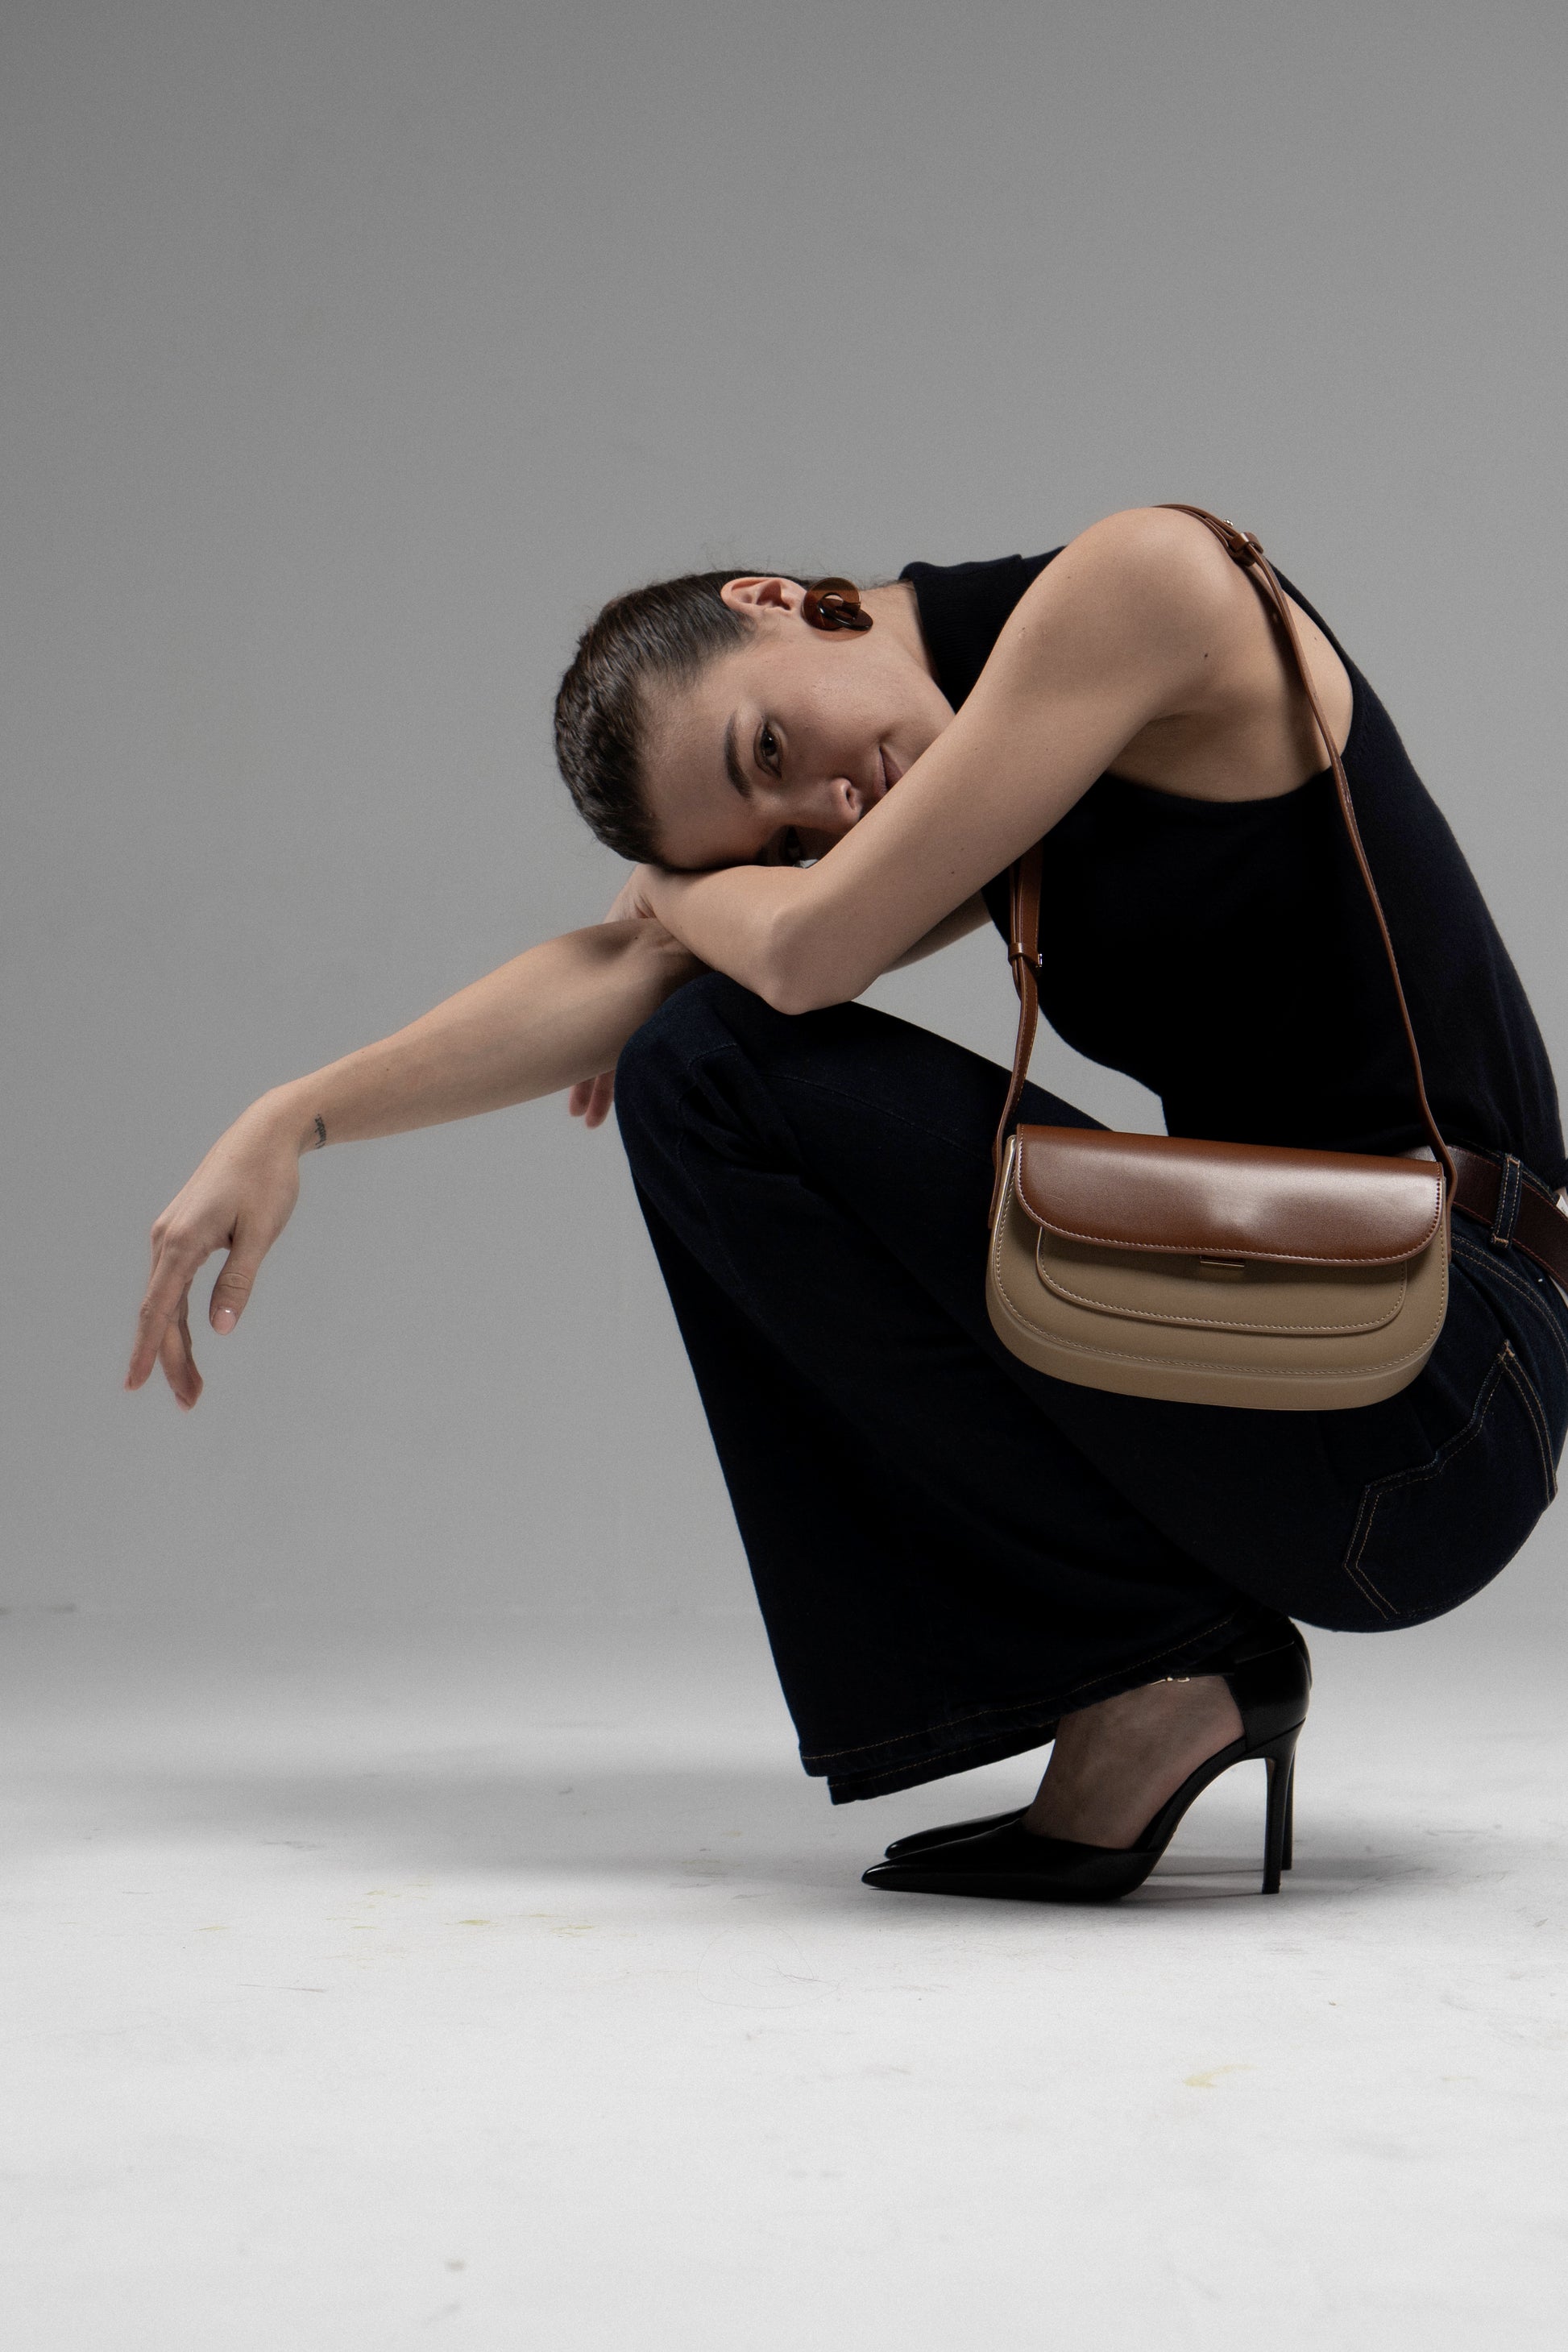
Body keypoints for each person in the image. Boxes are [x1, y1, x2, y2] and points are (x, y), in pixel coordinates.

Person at [127, 505, 1568, 1903]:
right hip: (1310, 1360)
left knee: (708, 1063)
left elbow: (799, 955)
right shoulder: (984, 758)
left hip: (1445, 1380)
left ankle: (1142, 1664)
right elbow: (639, 973)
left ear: (771, 598)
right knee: (693, 1050)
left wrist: (685, 898)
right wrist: (294, 1116)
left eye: (767, 749)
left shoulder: (1140, 583)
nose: (827, 812)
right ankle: (1152, 1677)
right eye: (777, 838)